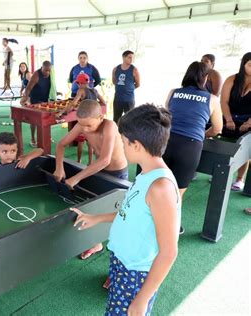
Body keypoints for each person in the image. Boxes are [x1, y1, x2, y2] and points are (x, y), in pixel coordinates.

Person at [71, 104, 180, 316]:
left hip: (136, 275)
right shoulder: (144, 175)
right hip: (122, 264)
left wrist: (142, 299)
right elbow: (131, 215)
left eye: (124, 142)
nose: (122, 146)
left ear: (136, 145)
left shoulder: (161, 187)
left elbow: (169, 252)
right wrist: (96, 218)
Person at [54, 100, 128, 260]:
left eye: (88, 126)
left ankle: (119, 246)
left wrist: (75, 178)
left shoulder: (110, 126)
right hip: (98, 171)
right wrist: (58, 167)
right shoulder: (82, 124)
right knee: (97, 206)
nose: (84, 129)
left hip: (117, 173)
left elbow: (105, 160)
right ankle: (96, 243)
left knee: (118, 211)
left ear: (101, 117)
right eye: (81, 125)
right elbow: (61, 144)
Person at [163, 62, 222, 229]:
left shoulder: (173, 93)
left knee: (157, 183)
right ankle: (172, 227)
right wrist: (201, 134)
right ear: (204, 78)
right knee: (178, 192)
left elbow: (166, 117)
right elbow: (218, 128)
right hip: (190, 147)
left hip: (165, 142)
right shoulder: (212, 99)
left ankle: (151, 220)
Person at [59, 73, 107, 165]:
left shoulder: (81, 90)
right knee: (90, 142)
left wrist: (64, 112)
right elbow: (103, 102)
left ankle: (79, 161)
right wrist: (94, 107)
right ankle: (90, 162)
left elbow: (73, 104)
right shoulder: (95, 90)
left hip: (84, 118)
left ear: (79, 83)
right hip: (93, 119)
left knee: (81, 141)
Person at [220, 52, 251, 191]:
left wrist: (249, 123)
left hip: (248, 119)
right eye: (250, 65)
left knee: (244, 148)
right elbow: (223, 101)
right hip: (229, 117)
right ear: (243, 65)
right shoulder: (232, 79)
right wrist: (229, 119)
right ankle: (220, 172)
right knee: (223, 144)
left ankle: (239, 179)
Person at [20, 61, 54, 147]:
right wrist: (24, 99)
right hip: (35, 99)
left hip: (45, 100)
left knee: (48, 119)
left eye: (49, 71)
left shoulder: (52, 74)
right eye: (45, 70)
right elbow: (28, 89)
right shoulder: (36, 75)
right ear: (41, 68)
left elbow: (52, 86)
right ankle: (33, 139)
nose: (47, 72)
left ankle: (48, 136)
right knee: (34, 121)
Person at [112, 50, 141, 123]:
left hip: (129, 99)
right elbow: (114, 81)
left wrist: (129, 88)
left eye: (132, 58)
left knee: (130, 120)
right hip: (118, 98)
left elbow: (138, 84)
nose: (131, 59)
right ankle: (116, 133)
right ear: (123, 58)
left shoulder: (134, 70)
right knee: (116, 118)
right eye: (129, 57)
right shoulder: (116, 69)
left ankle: (128, 134)